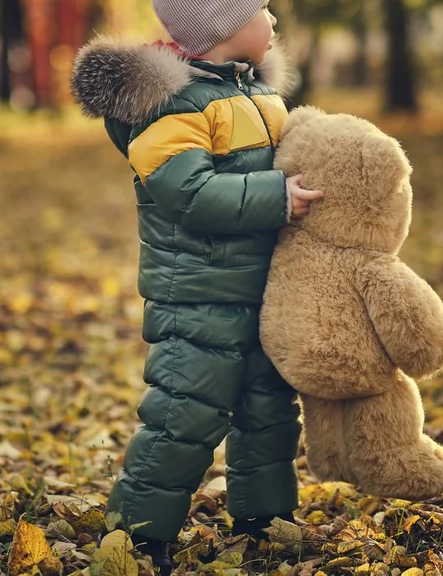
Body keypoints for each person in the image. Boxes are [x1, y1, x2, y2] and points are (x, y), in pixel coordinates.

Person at [71, 1, 324, 573]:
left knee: (270, 410)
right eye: (262, 10)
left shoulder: (259, 95)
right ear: (224, 27)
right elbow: (187, 194)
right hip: (198, 295)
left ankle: (266, 520)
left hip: (264, 289)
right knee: (186, 415)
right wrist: (277, 196)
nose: (275, 21)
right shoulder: (169, 108)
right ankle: (136, 534)